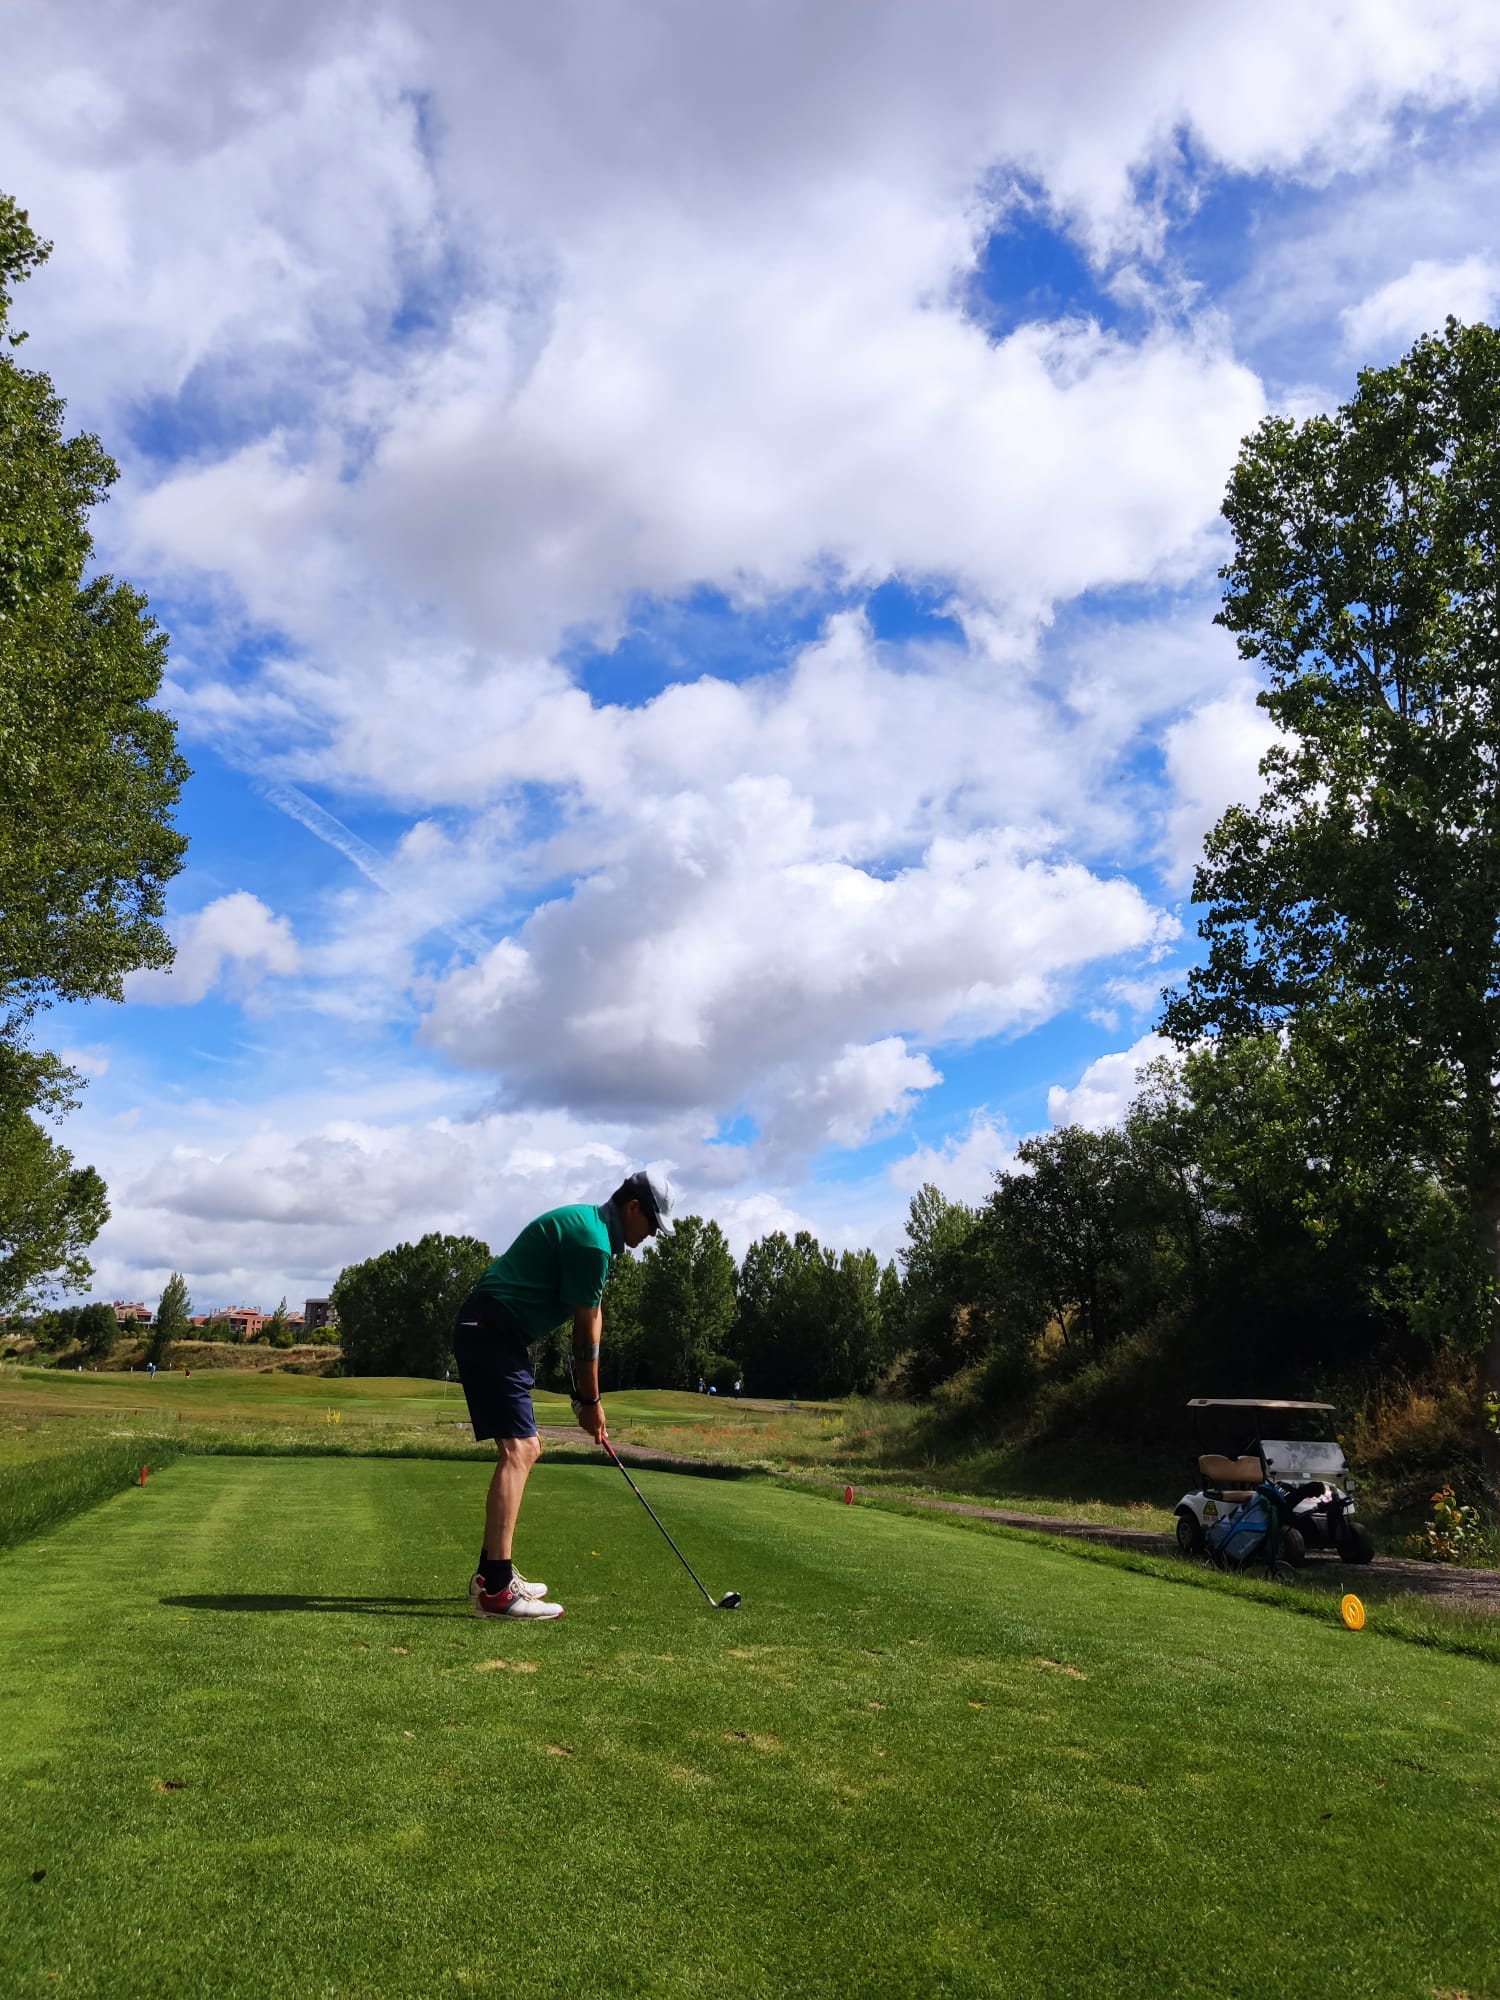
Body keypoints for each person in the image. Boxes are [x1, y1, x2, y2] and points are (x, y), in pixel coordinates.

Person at [454, 1170, 670, 1621]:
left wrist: (583, 1399)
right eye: (652, 1223)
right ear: (633, 1208)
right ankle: (495, 1590)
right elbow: (585, 1330)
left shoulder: (594, 1233)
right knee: (521, 1449)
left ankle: (490, 1573)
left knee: (523, 1449)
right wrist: (590, 1403)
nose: (651, 1234)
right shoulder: (593, 1242)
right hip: (491, 1331)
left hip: (495, 1332)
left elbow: (595, 1314)